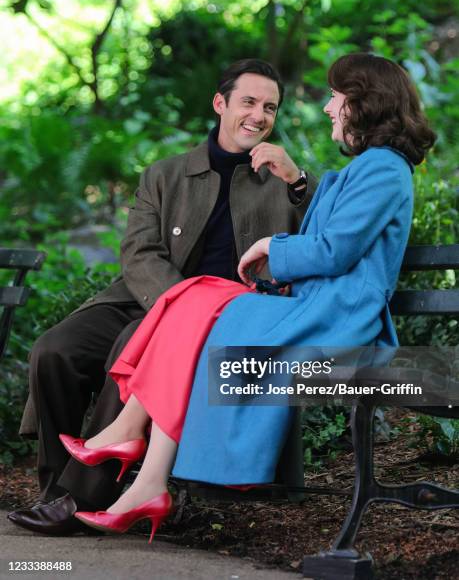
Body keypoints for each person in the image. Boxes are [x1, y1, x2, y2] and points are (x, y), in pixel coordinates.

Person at [56, 52, 436, 541]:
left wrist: (269, 248)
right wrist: (278, 269)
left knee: (199, 308)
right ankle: (145, 474)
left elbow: (335, 249)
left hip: (342, 320)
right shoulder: (370, 167)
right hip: (316, 307)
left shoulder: (385, 168)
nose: (327, 108)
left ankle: (133, 445)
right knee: (195, 299)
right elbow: (332, 245)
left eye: (336, 97)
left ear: (364, 104)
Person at [8, 59, 317, 535]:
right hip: (148, 297)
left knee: (129, 347)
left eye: (270, 107)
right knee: (55, 350)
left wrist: (296, 180)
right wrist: (175, 305)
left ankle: (80, 499)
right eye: (249, 102)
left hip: (222, 318)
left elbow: (324, 237)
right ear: (220, 104)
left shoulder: (281, 179)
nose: (259, 115)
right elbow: (137, 252)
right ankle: (54, 489)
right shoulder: (165, 174)